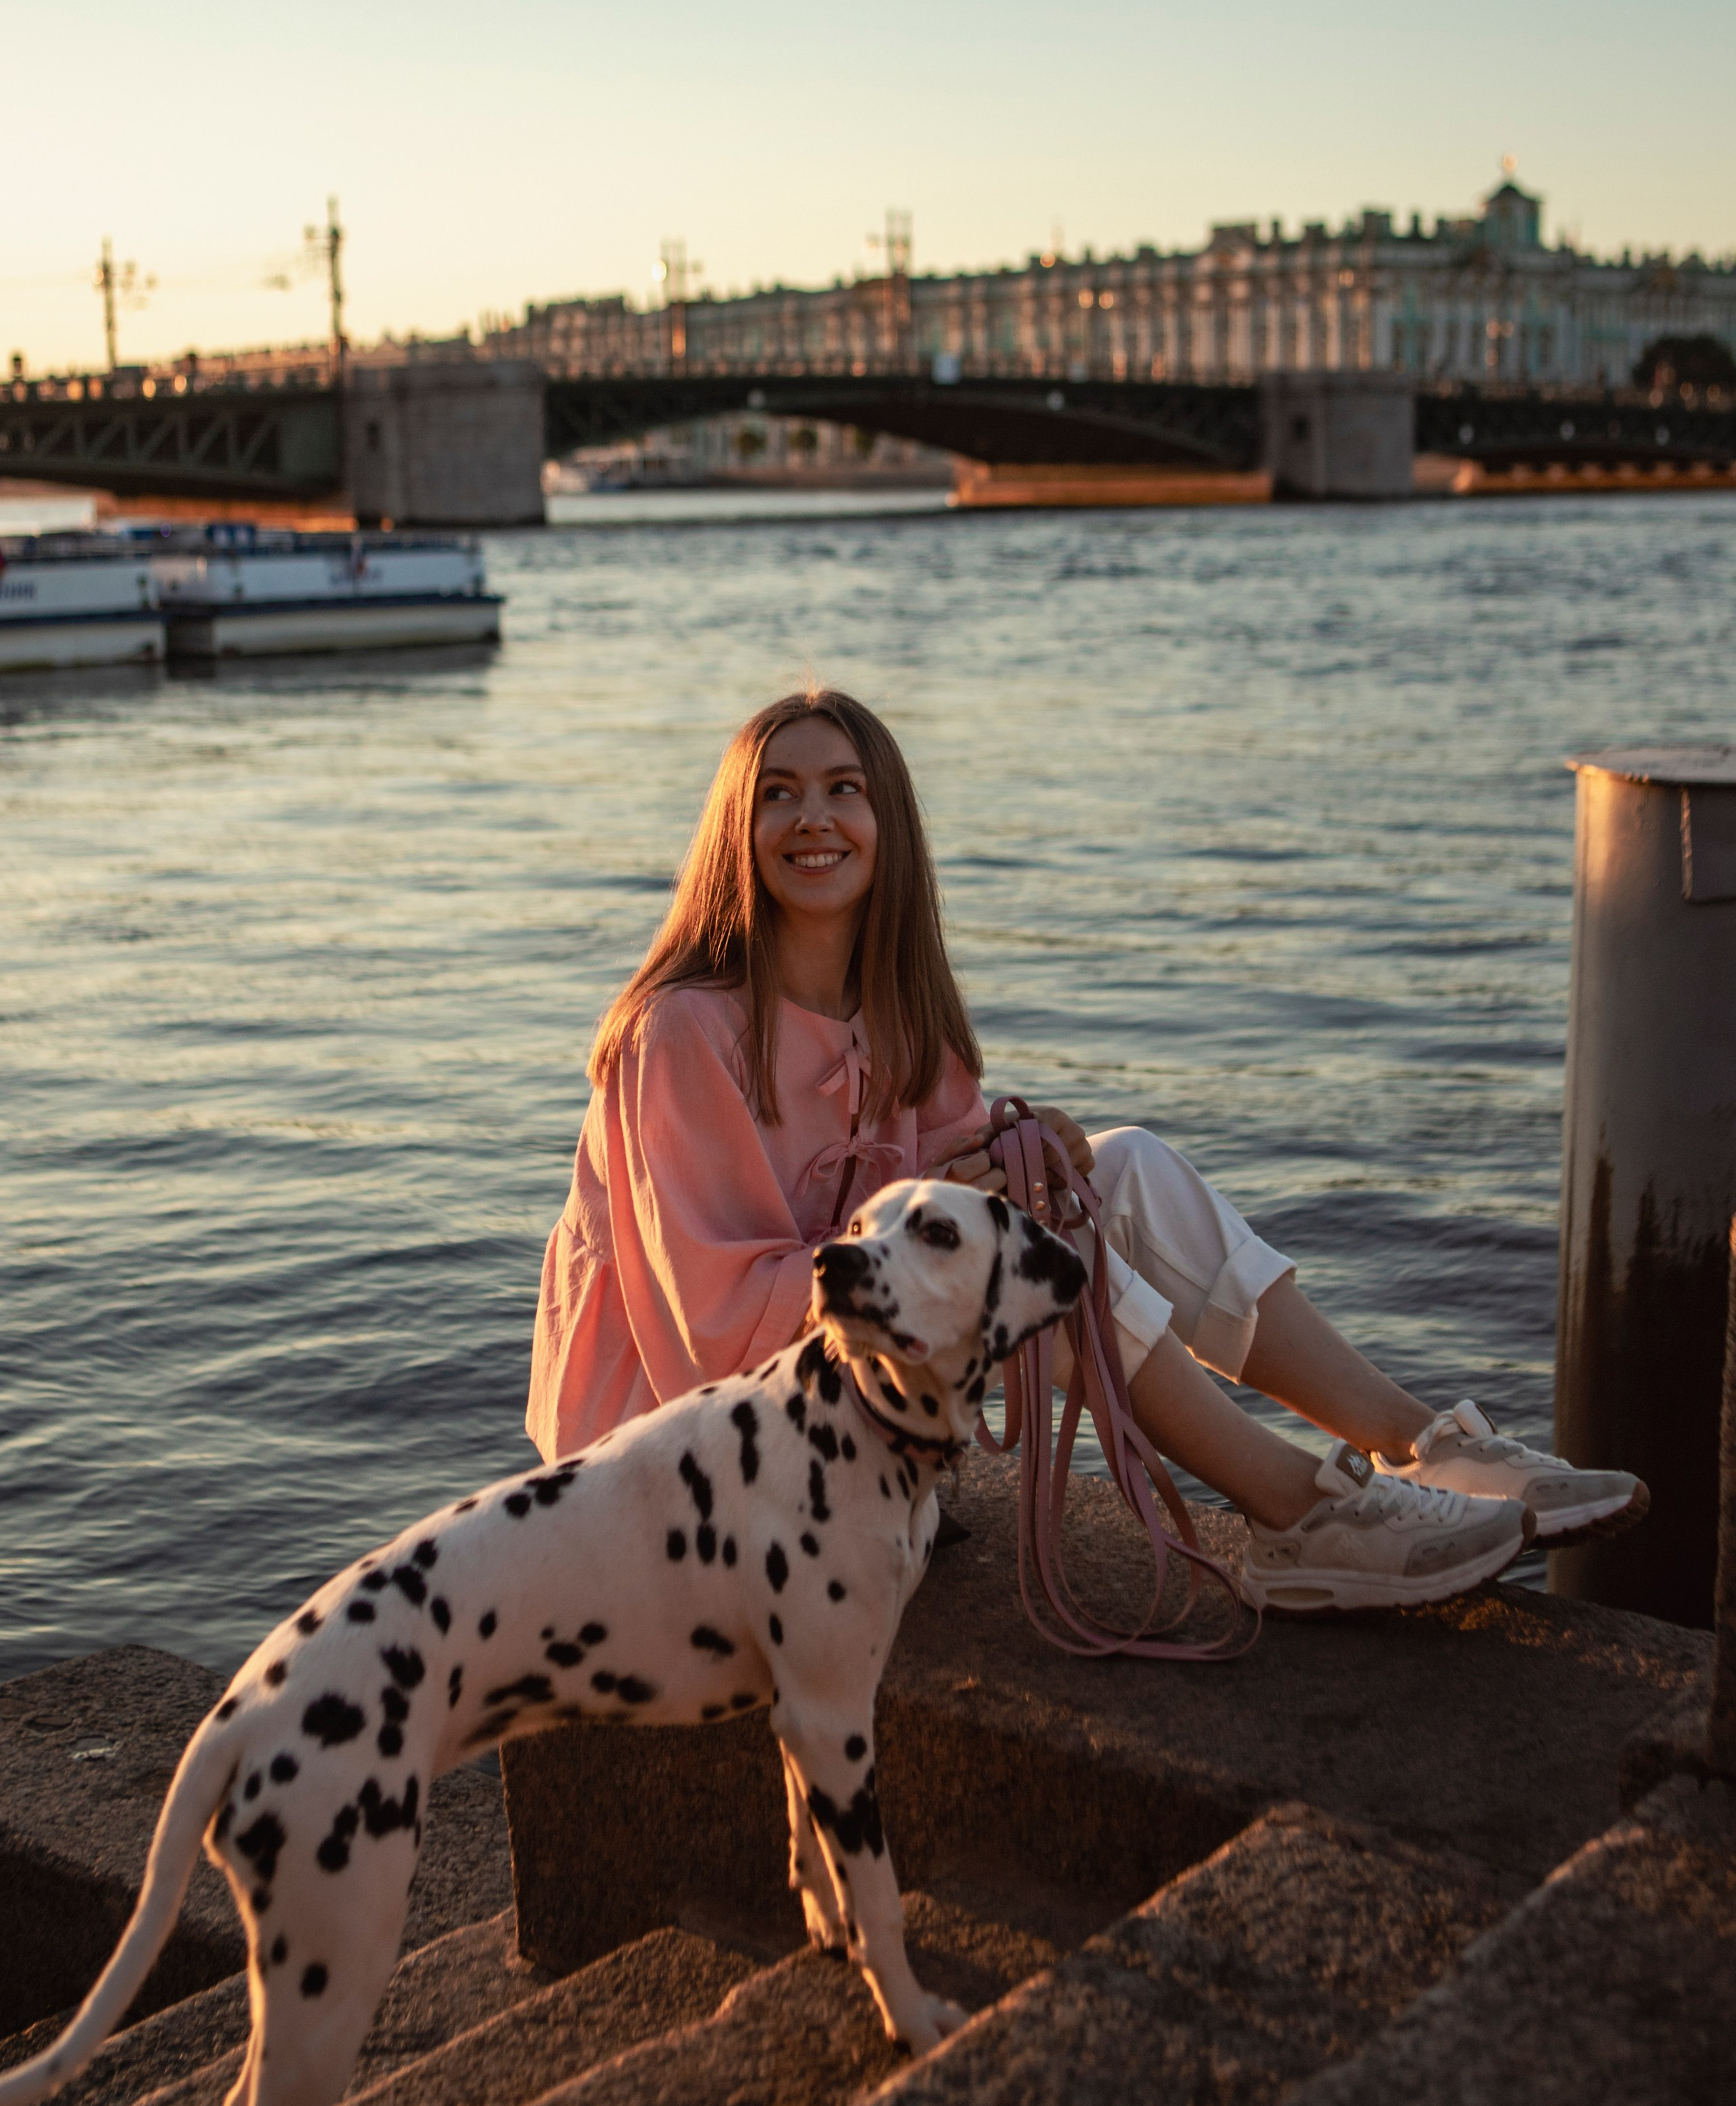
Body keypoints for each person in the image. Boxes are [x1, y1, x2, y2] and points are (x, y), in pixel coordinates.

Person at [527, 688, 1645, 1613]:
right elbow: (710, 1332)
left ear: (889, 824)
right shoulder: (680, 1033)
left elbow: (958, 1167)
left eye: (843, 791)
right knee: (1021, 1272)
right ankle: (1303, 1516)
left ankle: (1422, 1442)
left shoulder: (898, 1007)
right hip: (683, 1472)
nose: (812, 819)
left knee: (1128, 1169)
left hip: (833, 1397)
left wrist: (1019, 1149)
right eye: (778, 795)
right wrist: (957, 1222)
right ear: (738, 829)